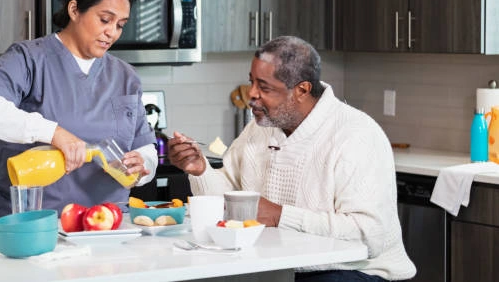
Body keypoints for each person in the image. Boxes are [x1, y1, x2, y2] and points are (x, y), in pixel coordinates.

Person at [168, 36, 416, 281]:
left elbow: (368, 236)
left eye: (264, 87)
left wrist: (279, 216)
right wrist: (200, 170)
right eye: (251, 82)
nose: (251, 94)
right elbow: (229, 201)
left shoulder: (357, 135)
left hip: (356, 271)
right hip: (276, 268)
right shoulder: (259, 128)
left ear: (301, 90)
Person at [0, 0, 157, 226]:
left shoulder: (125, 76)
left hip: (108, 229)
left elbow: (145, 148)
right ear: (74, 10)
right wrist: (53, 132)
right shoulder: (30, 59)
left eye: (120, 25)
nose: (113, 33)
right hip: (34, 228)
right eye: (105, 20)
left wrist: (143, 165)